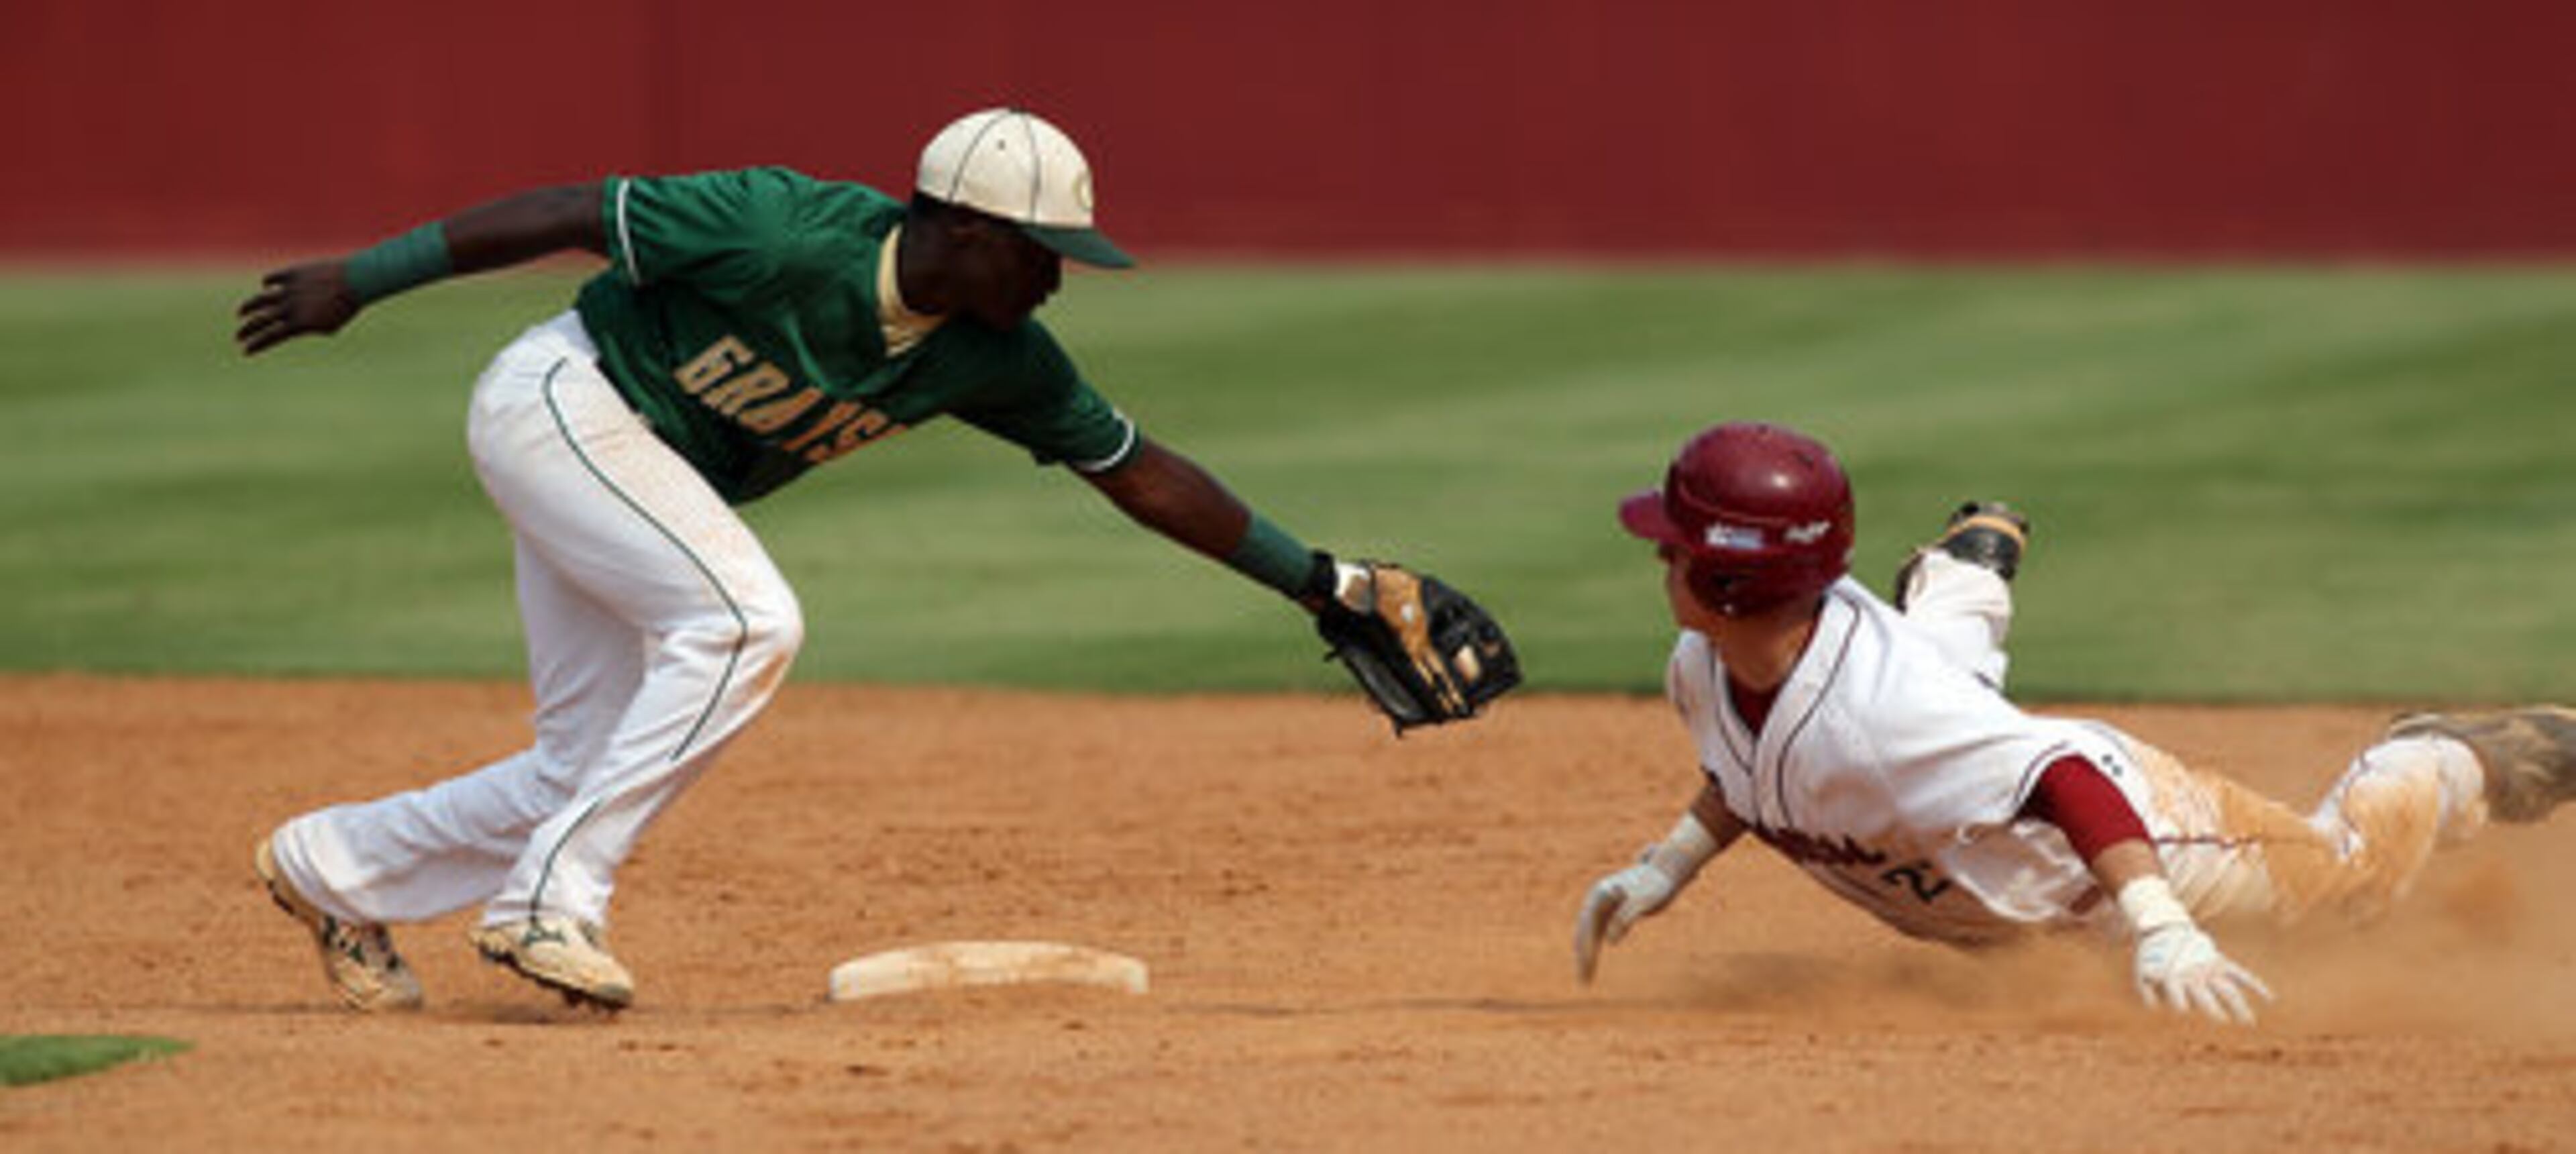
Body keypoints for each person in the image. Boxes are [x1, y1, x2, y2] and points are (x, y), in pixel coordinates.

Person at [235, 108, 1491, 1012]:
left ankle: (333, 870)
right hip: (564, 400)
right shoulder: (784, 227)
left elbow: (1139, 471)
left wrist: (1321, 582)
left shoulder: (996, 352)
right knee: (744, 622)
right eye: (1041, 250)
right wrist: (362, 278)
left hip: (635, 473)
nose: (1060, 278)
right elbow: (574, 212)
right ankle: (546, 906)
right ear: (955, 225)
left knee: (587, 756)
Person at [1570, 420, 2574, 1025]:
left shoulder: (1888, 714)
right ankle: (1963, 581)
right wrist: (1668, 865)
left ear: (1733, 576)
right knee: (1941, 685)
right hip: (1944, 757)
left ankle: (2437, 757)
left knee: (2346, 887)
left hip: (2143, 832)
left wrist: (2165, 927)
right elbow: (1752, 768)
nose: (1661, 560)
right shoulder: (1705, 664)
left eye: (1677, 547)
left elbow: (2062, 774)